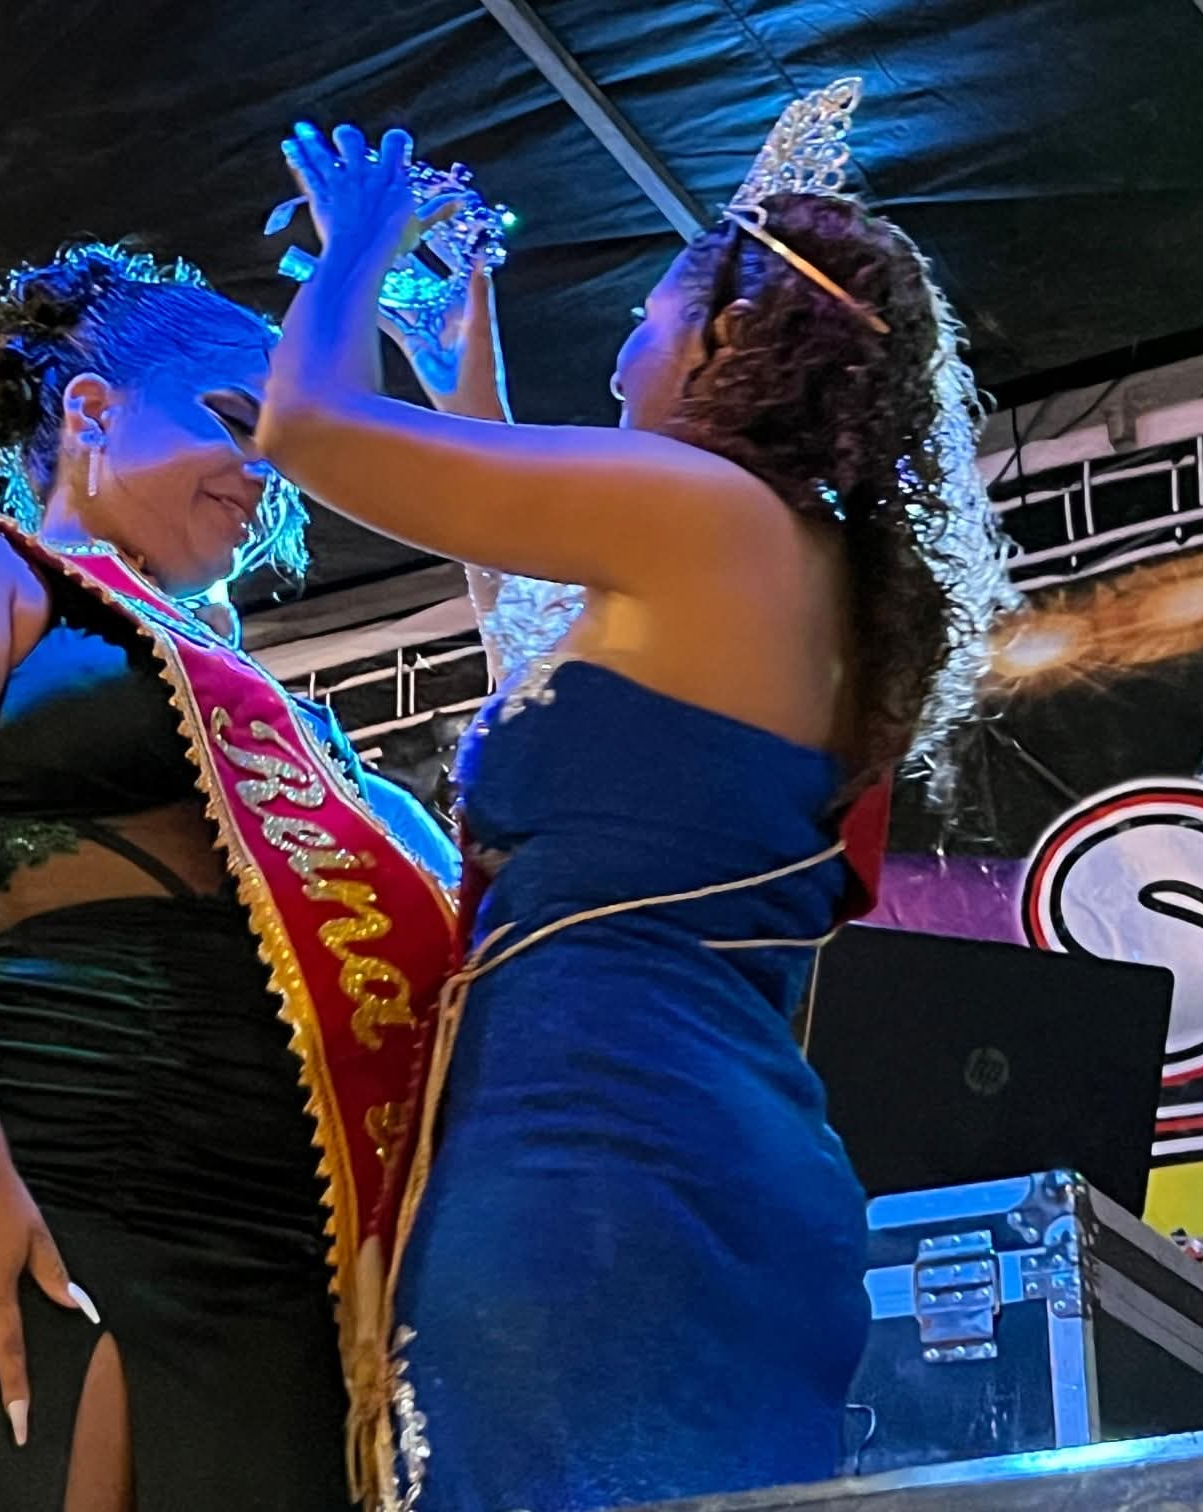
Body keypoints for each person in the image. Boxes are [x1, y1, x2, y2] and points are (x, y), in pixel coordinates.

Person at [257, 106, 1015, 1511]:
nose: (623, 341)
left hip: (601, 1156)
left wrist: (356, 237)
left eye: (652, 310)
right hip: (677, 1149)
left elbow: (307, 428)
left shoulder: (702, 510)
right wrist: (463, 367)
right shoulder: (790, 562)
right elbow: (538, 625)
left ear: (733, 341)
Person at [0, 239, 458, 1511]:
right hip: (35, 1164)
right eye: (236, 421)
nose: (267, 469)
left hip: (279, 1234)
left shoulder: (273, 715)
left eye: (286, 445)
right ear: (92, 409)